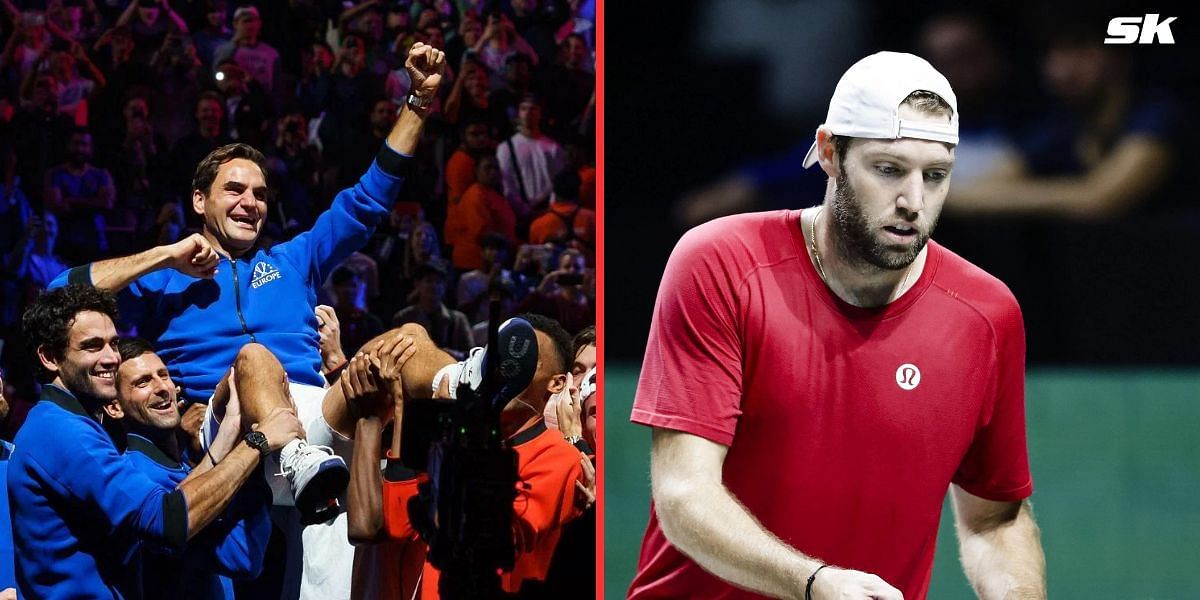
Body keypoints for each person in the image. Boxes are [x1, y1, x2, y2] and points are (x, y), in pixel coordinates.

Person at [628, 52, 1046, 600]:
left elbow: (995, 520)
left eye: (936, 175)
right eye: (889, 170)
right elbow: (684, 493)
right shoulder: (719, 262)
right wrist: (813, 584)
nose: (913, 202)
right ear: (829, 153)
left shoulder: (987, 314)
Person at [8, 284, 303, 598]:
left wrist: (226, 438)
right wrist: (257, 443)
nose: (111, 358)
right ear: (50, 357)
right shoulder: (61, 431)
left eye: (113, 343)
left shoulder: (65, 424)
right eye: (93, 347)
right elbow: (168, 521)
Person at [346, 313, 587, 597]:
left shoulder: (559, 458)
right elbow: (398, 526)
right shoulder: (460, 436)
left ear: (556, 383)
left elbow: (489, 542)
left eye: (520, 357)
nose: (502, 370)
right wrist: (398, 414)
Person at [103, 337, 273, 599]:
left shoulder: (181, 464)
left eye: (164, 375)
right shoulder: (135, 474)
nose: (161, 388)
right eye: (143, 382)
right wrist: (248, 457)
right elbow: (241, 557)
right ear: (115, 407)